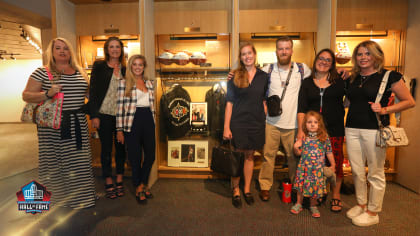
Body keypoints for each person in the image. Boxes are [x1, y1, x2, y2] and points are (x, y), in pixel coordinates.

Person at [345, 40, 415, 226]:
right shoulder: (354, 77)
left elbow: (409, 101)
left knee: (375, 173)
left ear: (377, 56)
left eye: (368, 54)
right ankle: (361, 204)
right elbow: (350, 101)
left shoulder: (389, 76)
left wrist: (384, 110)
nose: (363, 57)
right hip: (351, 128)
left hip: (374, 130)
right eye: (360, 54)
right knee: (357, 171)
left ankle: (373, 211)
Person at [22, 37, 96, 208]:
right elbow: (26, 95)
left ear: (71, 52)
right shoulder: (42, 72)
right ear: (52, 52)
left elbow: (88, 95)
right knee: (54, 162)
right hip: (53, 126)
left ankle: (82, 199)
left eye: (66, 48)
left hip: (77, 122)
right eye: (58, 48)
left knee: (80, 161)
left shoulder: (80, 71)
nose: (62, 51)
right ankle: (57, 203)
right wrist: (47, 93)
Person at [258, 36, 311, 202]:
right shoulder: (267, 70)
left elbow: (321, 76)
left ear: (292, 51)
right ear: (276, 51)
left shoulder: (302, 69)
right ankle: (265, 186)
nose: (284, 52)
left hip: (294, 125)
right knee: (268, 157)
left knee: (294, 158)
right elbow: (254, 87)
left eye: (287, 48)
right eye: (280, 49)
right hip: (271, 123)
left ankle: (296, 188)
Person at [297, 48, 345, 212]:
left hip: (335, 129)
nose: (323, 62)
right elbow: (301, 109)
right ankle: (316, 193)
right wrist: (300, 132)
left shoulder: (340, 81)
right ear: (316, 60)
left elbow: (351, 99)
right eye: (321, 58)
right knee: (315, 164)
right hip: (313, 132)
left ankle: (336, 196)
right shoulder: (307, 82)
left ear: (332, 64)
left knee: (335, 163)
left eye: (328, 60)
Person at [224, 42, 268, 208]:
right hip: (238, 122)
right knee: (237, 157)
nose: (247, 56)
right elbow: (229, 103)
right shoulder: (234, 76)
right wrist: (226, 127)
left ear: (254, 55)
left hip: (256, 123)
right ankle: (235, 190)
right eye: (243, 54)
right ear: (241, 58)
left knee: (250, 156)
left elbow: (264, 99)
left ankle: (247, 189)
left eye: (249, 53)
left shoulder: (264, 76)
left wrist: (264, 115)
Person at [89, 37, 127, 199]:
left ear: (121, 49)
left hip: (121, 116)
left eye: (117, 47)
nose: (114, 50)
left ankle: (119, 178)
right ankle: (108, 179)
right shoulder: (99, 66)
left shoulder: (125, 69)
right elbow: (94, 92)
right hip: (103, 115)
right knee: (105, 150)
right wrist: (94, 115)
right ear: (106, 50)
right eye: (111, 47)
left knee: (120, 149)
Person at [116, 55, 156, 204]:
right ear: (130, 66)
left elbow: (152, 106)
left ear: (144, 67)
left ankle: (143, 182)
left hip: (148, 120)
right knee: (135, 157)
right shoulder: (123, 83)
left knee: (151, 155)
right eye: (135, 65)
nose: (138, 67)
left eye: (140, 65)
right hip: (132, 121)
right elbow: (119, 108)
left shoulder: (149, 83)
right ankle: (139, 186)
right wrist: (119, 130)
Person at [291, 111, 336, 218]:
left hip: (317, 169)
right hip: (304, 168)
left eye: (315, 122)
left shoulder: (324, 137)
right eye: (309, 122)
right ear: (305, 124)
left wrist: (333, 164)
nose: (312, 124)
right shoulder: (303, 137)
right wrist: (296, 148)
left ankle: (313, 205)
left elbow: (329, 152)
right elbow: (298, 153)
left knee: (315, 188)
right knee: (301, 187)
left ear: (319, 124)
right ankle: (298, 203)